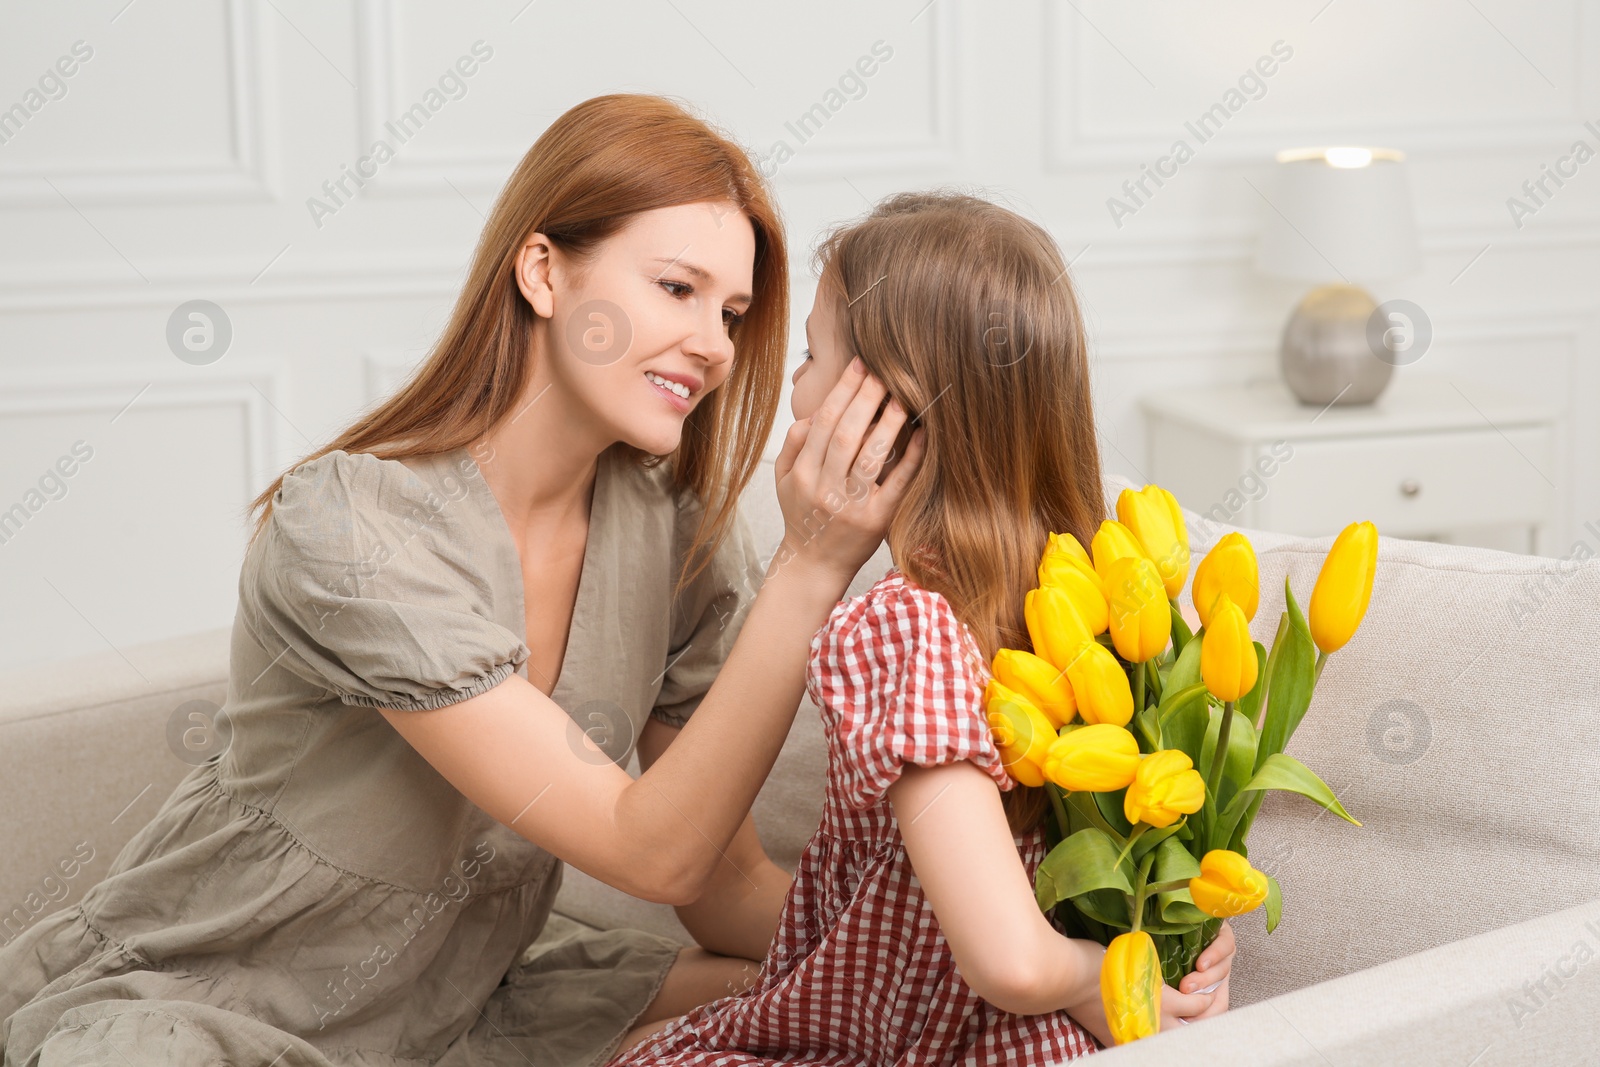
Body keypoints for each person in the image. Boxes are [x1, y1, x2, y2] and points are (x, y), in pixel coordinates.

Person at [0, 94, 924, 1067]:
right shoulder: (355, 522)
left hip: (459, 1005)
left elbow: (724, 879)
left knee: (847, 1007)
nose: (715, 345)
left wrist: (965, 953)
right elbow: (652, 849)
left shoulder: (675, 532)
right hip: (211, 1003)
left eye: (732, 313)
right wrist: (811, 565)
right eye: (676, 287)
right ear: (542, 272)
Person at [608, 191, 1238, 1065]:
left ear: (882, 414)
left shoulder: (903, 628)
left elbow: (1011, 961)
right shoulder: (1109, 602)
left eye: (812, 355)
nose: (793, 387)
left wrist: (1098, 975)